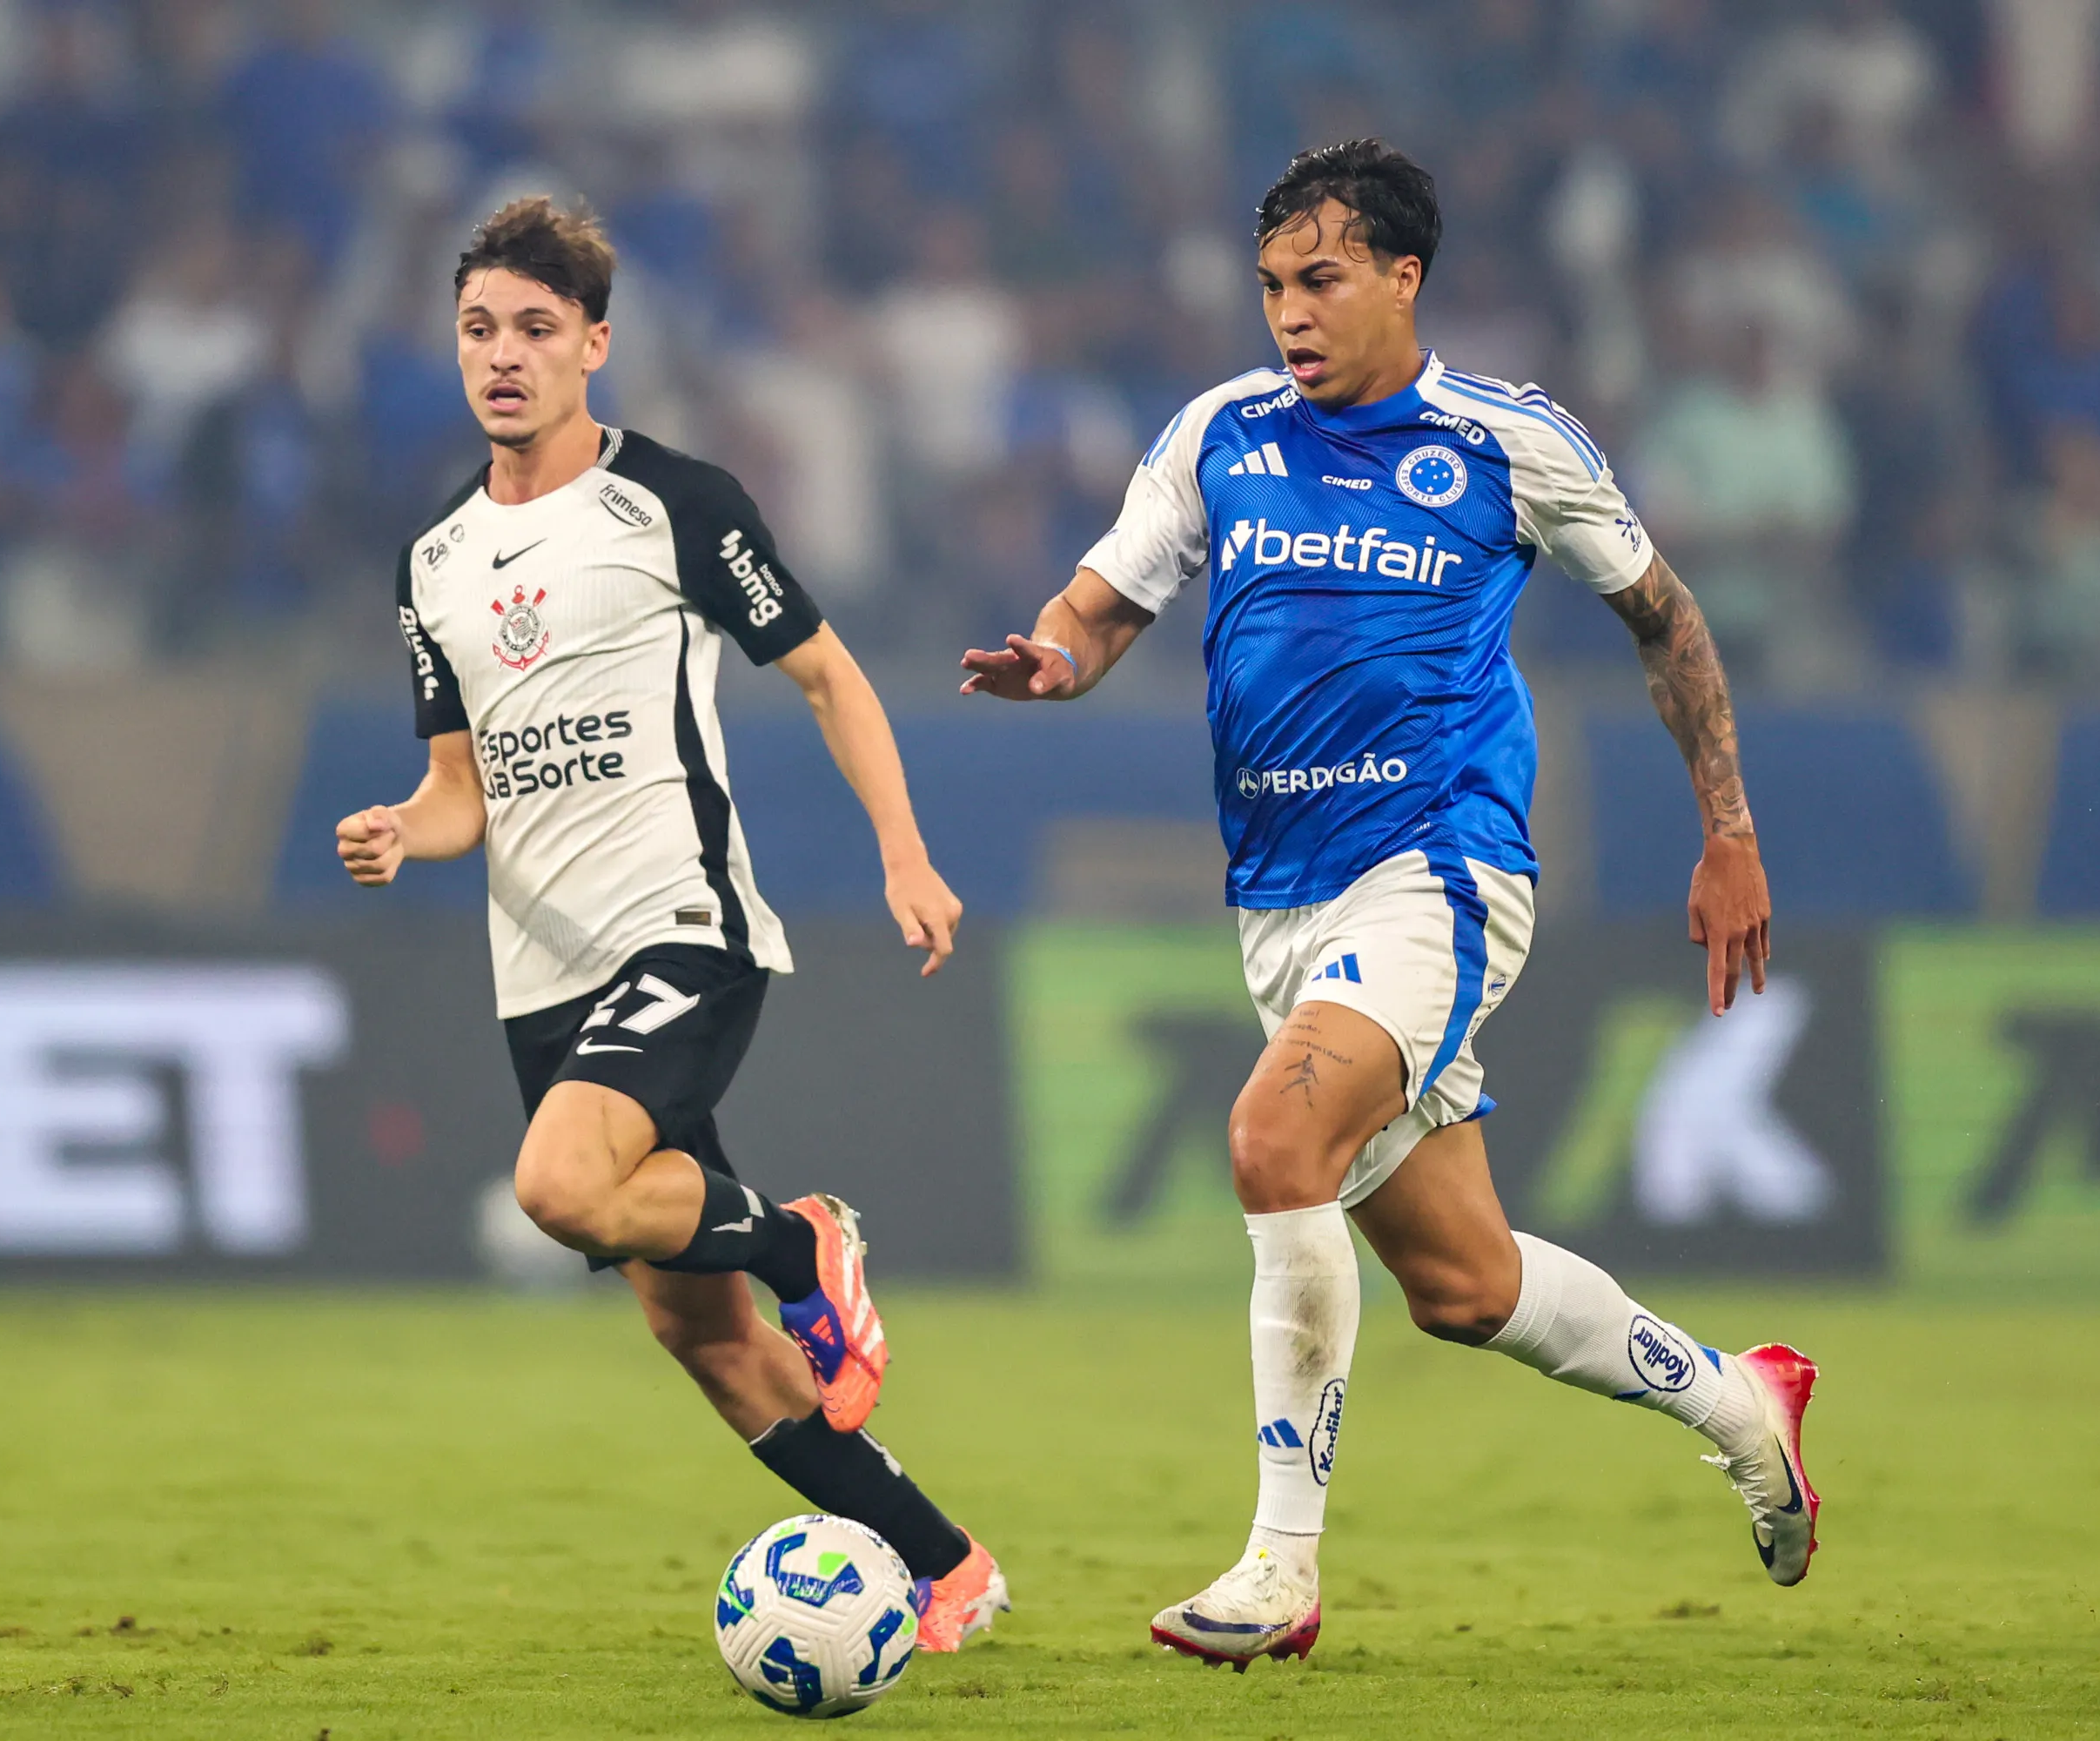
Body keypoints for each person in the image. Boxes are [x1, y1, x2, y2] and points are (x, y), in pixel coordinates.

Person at [961, 140, 1819, 1669]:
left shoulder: (1506, 443)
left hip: (1438, 868)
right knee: (1463, 1285)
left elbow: (1665, 619)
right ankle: (1742, 1401)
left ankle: (1278, 1571)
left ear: (1404, 278)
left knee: (1270, 1137)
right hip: (1279, 900)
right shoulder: (1221, 433)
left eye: (1322, 279)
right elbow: (1100, 606)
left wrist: (1730, 829)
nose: (1290, 313)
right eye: (1272, 286)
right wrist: (1055, 661)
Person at [335, 197, 1005, 1650]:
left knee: (558, 1187)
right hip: (540, 978)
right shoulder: (434, 561)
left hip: (680, 927)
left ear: (594, 344)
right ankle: (947, 1566)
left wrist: (904, 852)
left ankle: (800, 1244)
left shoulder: (676, 503)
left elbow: (827, 675)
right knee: (695, 1335)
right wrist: (404, 826)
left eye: (534, 329)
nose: (502, 356)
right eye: (478, 329)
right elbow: (461, 791)